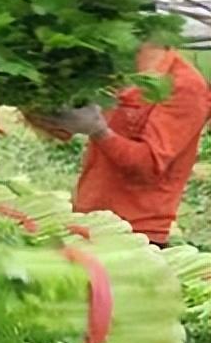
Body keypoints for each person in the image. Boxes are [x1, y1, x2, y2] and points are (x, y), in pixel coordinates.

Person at [26, 42, 211, 247]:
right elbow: (66, 130)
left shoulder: (185, 86)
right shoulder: (113, 67)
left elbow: (148, 165)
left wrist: (100, 132)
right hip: (87, 219)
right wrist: (40, 109)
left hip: (136, 234)